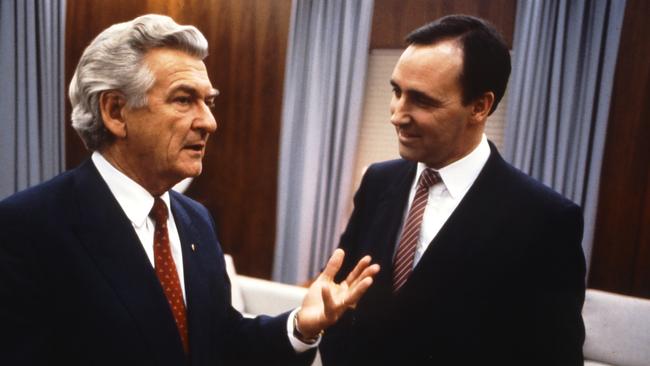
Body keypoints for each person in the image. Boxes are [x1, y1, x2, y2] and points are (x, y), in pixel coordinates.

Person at [0, 14, 379, 366]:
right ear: (116, 112)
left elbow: (221, 340)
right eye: (184, 100)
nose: (209, 122)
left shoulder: (194, 219)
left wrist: (300, 326)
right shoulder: (28, 227)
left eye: (209, 102)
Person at [319, 14, 586, 365]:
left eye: (422, 101)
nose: (397, 115)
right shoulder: (377, 182)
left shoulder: (546, 220)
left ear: (479, 106)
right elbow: (341, 302)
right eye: (397, 92)